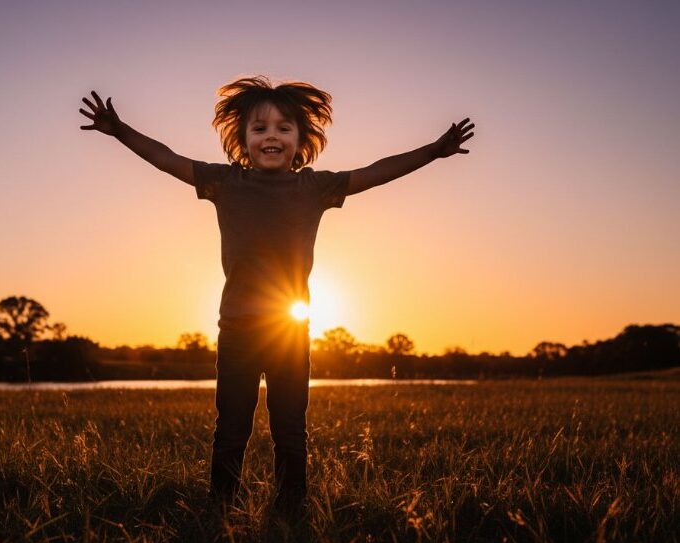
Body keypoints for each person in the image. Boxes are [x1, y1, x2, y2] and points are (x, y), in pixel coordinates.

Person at [79, 76, 474, 515]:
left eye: (284, 128)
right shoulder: (223, 182)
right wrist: (120, 130)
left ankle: (291, 508)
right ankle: (222, 506)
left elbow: (377, 172)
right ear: (242, 140)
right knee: (231, 427)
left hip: (290, 329)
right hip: (238, 330)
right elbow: (166, 158)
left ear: (302, 140)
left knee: (290, 428)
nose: (272, 135)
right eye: (260, 128)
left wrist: (432, 152)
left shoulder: (315, 187)